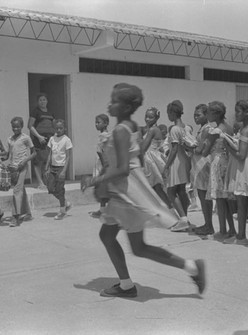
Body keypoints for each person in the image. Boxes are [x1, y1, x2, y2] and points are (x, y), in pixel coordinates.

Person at [81, 83, 206, 298]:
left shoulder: (121, 130)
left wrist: (95, 179)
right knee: (114, 238)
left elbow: (121, 169)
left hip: (125, 194)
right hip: (125, 191)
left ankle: (190, 268)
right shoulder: (132, 126)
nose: (110, 104)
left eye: (115, 101)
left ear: (125, 106)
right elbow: (136, 158)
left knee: (135, 246)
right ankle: (130, 284)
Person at [222, 100, 248, 246]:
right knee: (245, 201)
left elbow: (241, 154)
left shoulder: (247, 129)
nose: (236, 114)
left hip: (245, 166)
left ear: (246, 112)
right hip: (247, 165)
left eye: (238, 111)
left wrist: (228, 145)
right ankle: (242, 236)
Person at [202, 102, 237, 240]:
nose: (207, 115)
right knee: (225, 199)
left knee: (221, 200)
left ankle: (223, 230)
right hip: (227, 162)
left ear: (216, 113)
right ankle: (230, 229)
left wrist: (204, 139)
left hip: (217, 162)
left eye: (209, 112)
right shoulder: (228, 127)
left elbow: (204, 152)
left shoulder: (214, 131)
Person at [164, 100, 192, 228]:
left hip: (176, 161)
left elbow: (174, 149)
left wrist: (166, 166)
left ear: (172, 113)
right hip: (184, 160)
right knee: (181, 190)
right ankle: (184, 218)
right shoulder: (185, 127)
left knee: (171, 191)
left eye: (168, 113)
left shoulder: (174, 129)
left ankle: (183, 218)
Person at [5, 117, 36, 227]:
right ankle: (28, 213)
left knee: (17, 190)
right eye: (13, 127)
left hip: (22, 167)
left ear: (22, 127)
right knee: (20, 189)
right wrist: (0, 155)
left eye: (18, 126)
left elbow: (34, 153)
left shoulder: (26, 138)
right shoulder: (10, 139)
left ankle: (15, 217)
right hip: (13, 168)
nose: (15, 128)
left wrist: (25, 160)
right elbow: (7, 155)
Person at [190, 104, 214, 236]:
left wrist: (187, 145)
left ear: (206, 115)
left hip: (203, 163)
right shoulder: (202, 129)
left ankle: (209, 225)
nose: (196, 117)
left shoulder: (206, 129)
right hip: (199, 164)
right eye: (195, 115)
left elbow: (199, 149)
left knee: (204, 194)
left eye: (198, 115)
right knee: (202, 194)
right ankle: (207, 223)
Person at [141, 107, 171, 207]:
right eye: (146, 116)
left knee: (156, 187)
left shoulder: (153, 130)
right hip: (152, 158)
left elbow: (144, 148)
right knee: (155, 188)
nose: (147, 119)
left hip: (151, 160)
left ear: (156, 118)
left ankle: (170, 210)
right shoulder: (151, 129)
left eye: (151, 117)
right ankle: (167, 210)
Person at [45, 119, 73, 220]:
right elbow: (50, 153)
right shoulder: (52, 139)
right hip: (52, 167)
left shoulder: (66, 140)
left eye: (61, 128)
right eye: (57, 128)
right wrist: (47, 166)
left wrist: (64, 171)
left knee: (60, 189)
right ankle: (66, 203)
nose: (59, 130)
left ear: (64, 128)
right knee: (51, 188)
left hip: (61, 167)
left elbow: (68, 156)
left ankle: (62, 211)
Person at [28, 93, 55, 189]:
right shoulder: (35, 112)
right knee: (38, 162)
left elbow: (53, 125)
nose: (42, 101)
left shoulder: (50, 112)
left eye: (44, 99)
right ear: (37, 102)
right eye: (40, 100)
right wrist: (39, 137)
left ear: (47, 101)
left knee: (46, 161)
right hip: (38, 140)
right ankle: (40, 183)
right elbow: (30, 126)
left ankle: (46, 181)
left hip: (49, 140)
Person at [90, 114, 110, 218]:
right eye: (96, 122)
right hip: (101, 163)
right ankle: (103, 209)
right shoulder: (104, 135)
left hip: (102, 164)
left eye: (99, 122)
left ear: (106, 123)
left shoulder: (104, 136)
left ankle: (104, 210)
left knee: (101, 187)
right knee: (102, 187)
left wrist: (104, 166)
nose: (96, 124)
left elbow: (101, 152)